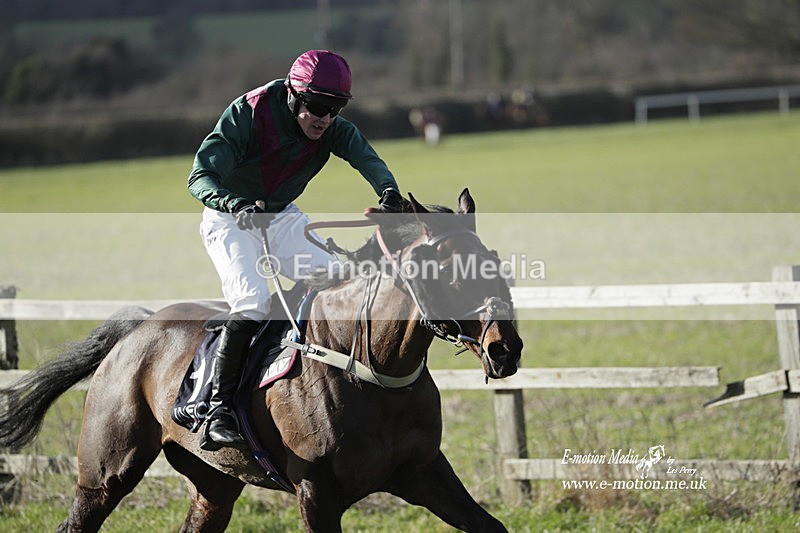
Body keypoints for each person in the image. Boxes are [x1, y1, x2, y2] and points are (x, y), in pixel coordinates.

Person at [188, 50, 403, 451]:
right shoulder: (249, 112)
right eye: (318, 106)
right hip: (230, 217)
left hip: (281, 215)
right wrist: (234, 204)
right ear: (293, 93)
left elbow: (366, 157)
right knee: (252, 302)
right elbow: (199, 175)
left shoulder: (331, 125)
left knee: (339, 281)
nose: (325, 117)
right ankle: (216, 408)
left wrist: (387, 191)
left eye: (335, 108)